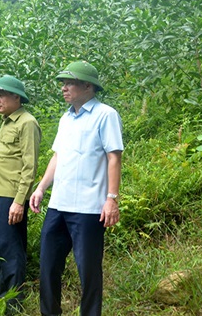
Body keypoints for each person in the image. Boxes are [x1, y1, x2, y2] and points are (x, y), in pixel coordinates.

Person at [29, 61, 123, 316]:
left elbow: (114, 157)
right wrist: (40, 189)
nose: (64, 88)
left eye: (69, 83)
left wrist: (111, 199)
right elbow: (57, 156)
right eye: (63, 83)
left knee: (89, 271)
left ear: (87, 86)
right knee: (48, 268)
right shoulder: (66, 117)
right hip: (58, 205)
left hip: (89, 208)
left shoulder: (106, 115)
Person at [0, 76, 41, 313]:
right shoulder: (7, 121)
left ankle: (12, 303)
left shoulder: (27, 122)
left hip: (10, 197)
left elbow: (30, 166)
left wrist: (19, 201)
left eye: (2, 95)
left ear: (17, 97)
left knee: (10, 249)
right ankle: (3, 290)